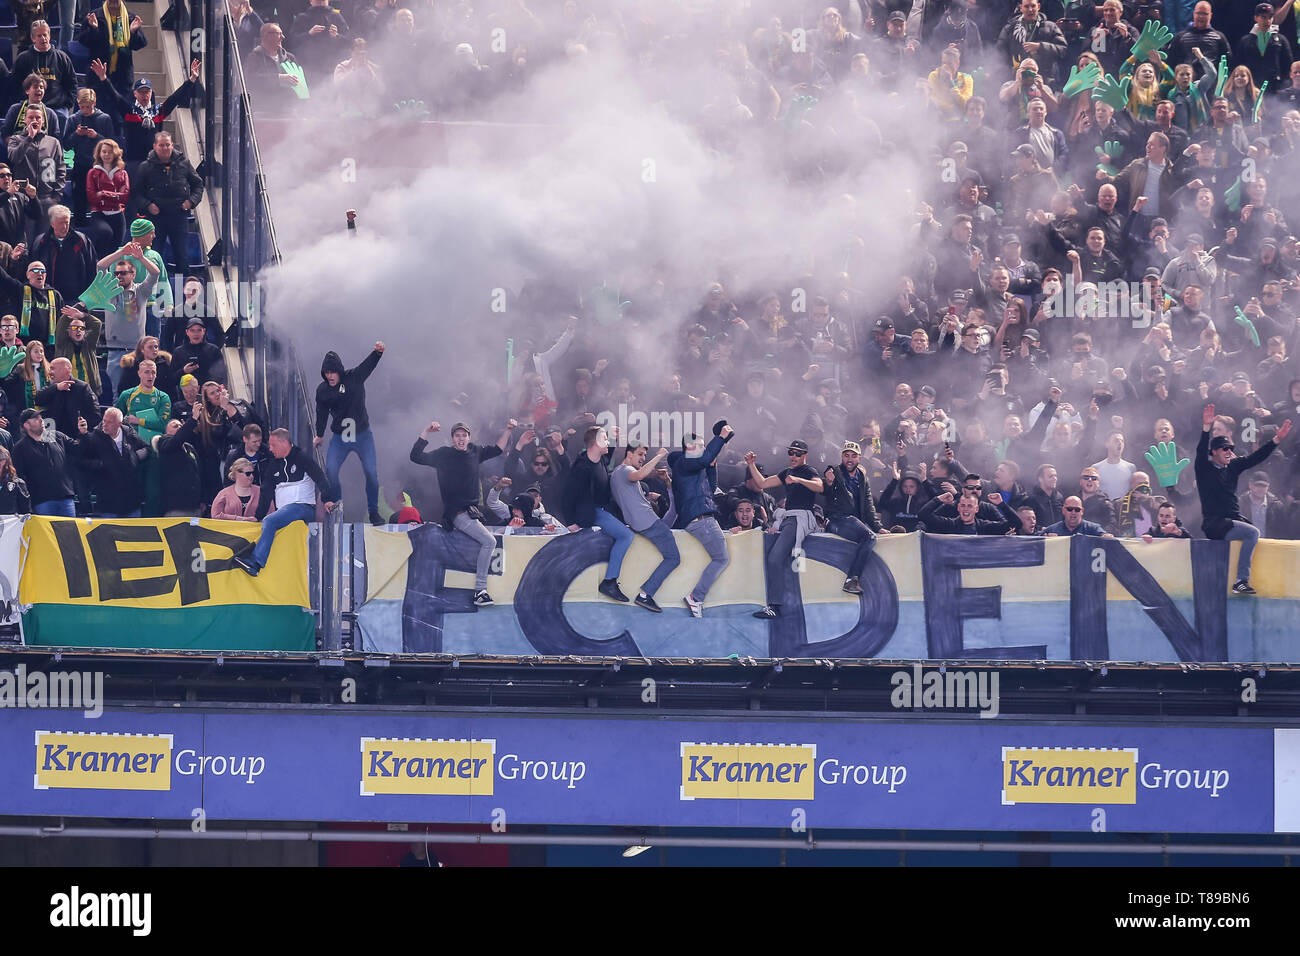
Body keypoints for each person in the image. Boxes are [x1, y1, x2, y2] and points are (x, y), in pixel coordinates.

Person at [408, 419, 514, 607]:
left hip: (472, 511)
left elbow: (498, 449)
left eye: (464, 435)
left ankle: (474, 588)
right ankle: (480, 591)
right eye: (457, 435)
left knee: (484, 540)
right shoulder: (444, 454)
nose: (461, 438)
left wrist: (508, 429)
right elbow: (415, 456)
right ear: (452, 439)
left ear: (469, 437)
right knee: (489, 541)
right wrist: (425, 431)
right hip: (456, 512)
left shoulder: (475, 451)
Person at [1196, 402, 1292, 593]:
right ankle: (1241, 580)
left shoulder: (1233, 466)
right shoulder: (1204, 469)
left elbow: (1255, 458)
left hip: (1232, 521)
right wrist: (1206, 429)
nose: (1229, 452)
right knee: (1252, 533)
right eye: (1224, 449)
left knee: (1251, 535)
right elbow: (1200, 452)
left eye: (1230, 448)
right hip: (1215, 523)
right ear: (1214, 452)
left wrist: (1275, 440)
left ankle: (1226, 581)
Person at [235, 428, 335, 576]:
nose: (270, 449)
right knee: (268, 520)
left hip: (303, 508)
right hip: (285, 511)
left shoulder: (302, 458)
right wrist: (257, 515)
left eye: (273, 445)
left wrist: (328, 499)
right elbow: (266, 491)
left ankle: (255, 563)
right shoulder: (273, 463)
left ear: (284, 443)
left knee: (270, 521)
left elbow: (320, 478)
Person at [747, 438, 824, 620]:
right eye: (791, 452)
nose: (793, 456)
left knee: (775, 558)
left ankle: (775, 606)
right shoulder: (786, 472)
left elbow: (820, 486)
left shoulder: (808, 470)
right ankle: (781, 604)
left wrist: (798, 479)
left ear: (805, 455)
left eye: (797, 453)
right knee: (778, 558)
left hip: (799, 518)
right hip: (788, 518)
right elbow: (763, 483)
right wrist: (751, 464)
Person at [667, 423, 734, 618]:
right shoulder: (683, 462)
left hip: (701, 517)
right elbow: (704, 457)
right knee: (721, 558)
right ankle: (695, 597)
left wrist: (712, 466)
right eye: (702, 445)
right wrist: (720, 437)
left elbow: (712, 488)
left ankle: (696, 597)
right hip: (701, 519)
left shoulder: (694, 468)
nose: (705, 449)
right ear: (689, 448)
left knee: (720, 558)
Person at [561, 424, 634, 603]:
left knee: (625, 534)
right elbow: (567, 496)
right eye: (605, 439)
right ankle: (609, 582)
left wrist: (614, 439)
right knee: (626, 536)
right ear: (595, 443)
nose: (608, 442)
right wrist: (570, 521)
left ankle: (609, 581)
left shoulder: (597, 458)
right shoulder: (581, 468)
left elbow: (608, 455)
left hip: (600, 510)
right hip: (591, 513)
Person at [314, 342, 383, 525]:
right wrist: (319, 434)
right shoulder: (322, 390)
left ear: (339, 370)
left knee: (371, 472)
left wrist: (377, 353)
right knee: (331, 469)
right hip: (341, 437)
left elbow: (367, 366)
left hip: (362, 435)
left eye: (332, 372)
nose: (329, 376)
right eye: (326, 372)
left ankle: (374, 512)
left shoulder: (354, 377)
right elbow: (320, 413)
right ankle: (335, 503)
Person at [610, 441, 679, 613]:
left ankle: (645, 595)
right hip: (647, 522)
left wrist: (664, 479)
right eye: (640, 454)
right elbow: (639, 475)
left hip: (642, 523)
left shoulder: (619, 473)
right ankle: (645, 595)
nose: (642, 458)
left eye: (644, 456)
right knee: (674, 558)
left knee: (673, 514)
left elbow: (641, 475)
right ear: (629, 454)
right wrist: (660, 455)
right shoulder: (624, 471)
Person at [821, 440, 888, 594]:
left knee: (873, 536)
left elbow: (868, 505)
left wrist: (878, 527)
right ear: (841, 457)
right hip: (837, 519)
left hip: (854, 521)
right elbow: (825, 490)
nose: (849, 459)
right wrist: (829, 481)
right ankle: (852, 580)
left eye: (853, 456)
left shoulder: (863, 478)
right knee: (869, 538)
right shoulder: (835, 472)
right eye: (846, 455)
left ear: (859, 458)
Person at [133, 131, 202, 274]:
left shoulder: (185, 163)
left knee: (182, 256)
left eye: (167, 145)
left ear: (172, 145)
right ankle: (153, 290)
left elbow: (198, 185)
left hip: (179, 216)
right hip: (155, 218)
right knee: (154, 255)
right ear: (155, 146)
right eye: (161, 145)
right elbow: (135, 193)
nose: (165, 148)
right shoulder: (145, 167)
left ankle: (183, 291)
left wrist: (191, 202)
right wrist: (148, 205)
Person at [114, 356, 169, 513]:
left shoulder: (163, 397)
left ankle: (152, 523)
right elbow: (116, 418)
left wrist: (139, 420)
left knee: (153, 492)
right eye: (147, 372)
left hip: (154, 451)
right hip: (132, 450)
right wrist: (125, 422)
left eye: (153, 372)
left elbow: (162, 424)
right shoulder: (127, 395)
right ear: (139, 373)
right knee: (132, 489)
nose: (150, 376)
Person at [79, 405, 148, 517]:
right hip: (108, 502)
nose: (104, 425)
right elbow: (82, 461)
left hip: (131, 500)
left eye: (109, 422)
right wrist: (100, 465)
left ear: (119, 424)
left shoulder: (128, 432)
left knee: (134, 534)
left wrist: (134, 458)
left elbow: (146, 448)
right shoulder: (95, 437)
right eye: (104, 420)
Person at [11, 407, 81, 516]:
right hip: (42, 500)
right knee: (47, 533)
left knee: (69, 532)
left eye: (41, 417)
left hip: (65, 495)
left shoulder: (57, 436)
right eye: (36, 419)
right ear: (26, 425)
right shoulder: (20, 448)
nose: (41, 420)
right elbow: (18, 477)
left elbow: (79, 449)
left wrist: (83, 434)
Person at [33, 356, 100, 438]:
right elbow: (38, 400)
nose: (49, 372)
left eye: (53, 369)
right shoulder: (51, 387)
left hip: (75, 438)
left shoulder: (82, 388)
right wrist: (56, 388)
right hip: (52, 438)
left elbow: (95, 416)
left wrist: (82, 435)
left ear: (66, 369)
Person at [84, 137, 130, 256]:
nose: (107, 155)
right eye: (104, 151)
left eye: (110, 152)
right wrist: (115, 196)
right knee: (105, 233)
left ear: (115, 153)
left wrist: (103, 194)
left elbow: (124, 197)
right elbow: (92, 198)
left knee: (114, 248)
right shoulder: (92, 173)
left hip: (117, 214)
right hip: (99, 213)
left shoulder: (122, 173)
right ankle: (95, 263)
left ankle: (107, 270)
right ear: (99, 153)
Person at [153, 416, 202, 516]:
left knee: (194, 531)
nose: (179, 427)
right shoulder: (164, 443)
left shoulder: (189, 448)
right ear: (166, 431)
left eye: (181, 425)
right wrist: (192, 420)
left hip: (195, 506)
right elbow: (176, 441)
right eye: (175, 426)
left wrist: (202, 499)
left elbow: (199, 474)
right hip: (176, 506)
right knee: (178, 532)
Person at [172, 316, 227, 385]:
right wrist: (183, 371)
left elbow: (222, 376)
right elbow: (172, 378)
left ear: (204, 331)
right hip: (187, 393)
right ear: (187, 332)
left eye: (199, 330)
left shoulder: (213, 350)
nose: (196, 334)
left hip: (209, 393)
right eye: (192, 330)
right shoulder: (179, 352)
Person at [210, 456, 262, 521]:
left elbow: (270, 515)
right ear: (237, 473)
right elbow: (215, 515)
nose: (251, 476)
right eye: (248, 473)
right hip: (229, 530)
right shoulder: (223, 493)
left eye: (252, 473)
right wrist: (237, 518)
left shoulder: (261, 492)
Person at [1042, 495, 1114, 536]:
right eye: (1070, 509)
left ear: (1082, 511)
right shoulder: (1052, 530)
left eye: (1077, 509)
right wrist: (1045, 538)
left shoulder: (1093, 529)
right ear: (1063, 510)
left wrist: (1107, 537)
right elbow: (1034, 541)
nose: (1073, 512)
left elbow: (1107, 539)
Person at [0, 445, 31, 514]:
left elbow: (25, 510)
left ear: (5, 461)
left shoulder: (18, 483)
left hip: (11, 523)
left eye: (1, 458)